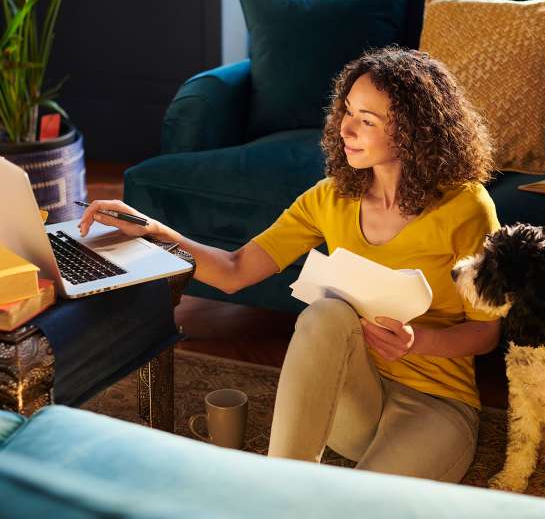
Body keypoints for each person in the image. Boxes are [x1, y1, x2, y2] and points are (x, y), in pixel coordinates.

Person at [79, 46, 501, 483]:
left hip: (435, 401)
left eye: (367, 121)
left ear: (412, 133)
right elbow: (234, 269)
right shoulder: (331, 197)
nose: (346, 128)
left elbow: (487, 333)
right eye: (347, 111)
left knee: (362, 506)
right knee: (326, 313)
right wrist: (151, 231)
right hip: (351, 399)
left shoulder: (465, 207)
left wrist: (417, 343)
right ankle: (279, 486)